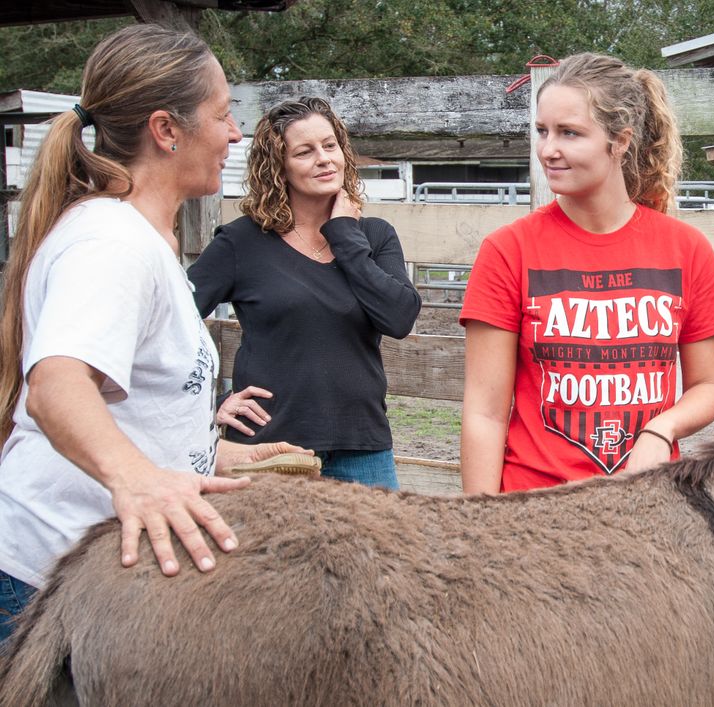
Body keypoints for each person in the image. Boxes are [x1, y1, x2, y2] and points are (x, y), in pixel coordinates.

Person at [0, 24, 311, 646]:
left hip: (89, 572)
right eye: (222, 116)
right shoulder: (110, 243)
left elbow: (134, 402)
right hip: (44, 577)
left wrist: (203, 456)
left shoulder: (140, 240)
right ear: (167, 130)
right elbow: (57, 387)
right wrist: (139, 479)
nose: (234, 135)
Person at [459, 53, 714, 494]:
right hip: (537, 507)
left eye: (570, 133)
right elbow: (485, 413)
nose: (549, 149)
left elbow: (708, 385)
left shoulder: (686, 250)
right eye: (542, 131)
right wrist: (478, 525)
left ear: (620, 141)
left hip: (646, 501)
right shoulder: (508, 251)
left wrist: (660, 430)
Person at [187, 97, 421, 489]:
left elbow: (398, 318)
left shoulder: (373, 237)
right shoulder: (241, 242)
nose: (324, 159)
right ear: (278, 165)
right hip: (269, 448)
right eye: (305, 151)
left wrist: (344, 234)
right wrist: (209, 408)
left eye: (330, 146)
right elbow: (169, 323)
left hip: (361, 448)